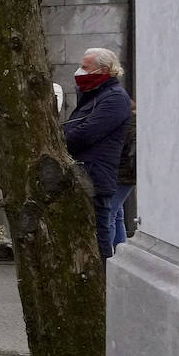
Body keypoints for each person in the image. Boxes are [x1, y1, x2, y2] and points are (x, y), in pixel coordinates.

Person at [63, 47, 132, 260]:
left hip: (96, 175)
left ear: (103, 69)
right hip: (88, 171)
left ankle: (104, 275)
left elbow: (87, 133)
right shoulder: (93, 95)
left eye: (85, 67)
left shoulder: (114, 98)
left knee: (99, 233)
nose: (79, 71)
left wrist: (60, 141)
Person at [113, 99, 137, 249]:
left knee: (110, 214)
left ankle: (111, 252)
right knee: (117, 214)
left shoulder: (129, 122)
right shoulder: (132, 121)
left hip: (122, 173)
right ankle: (119, 249)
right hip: (125, 173)